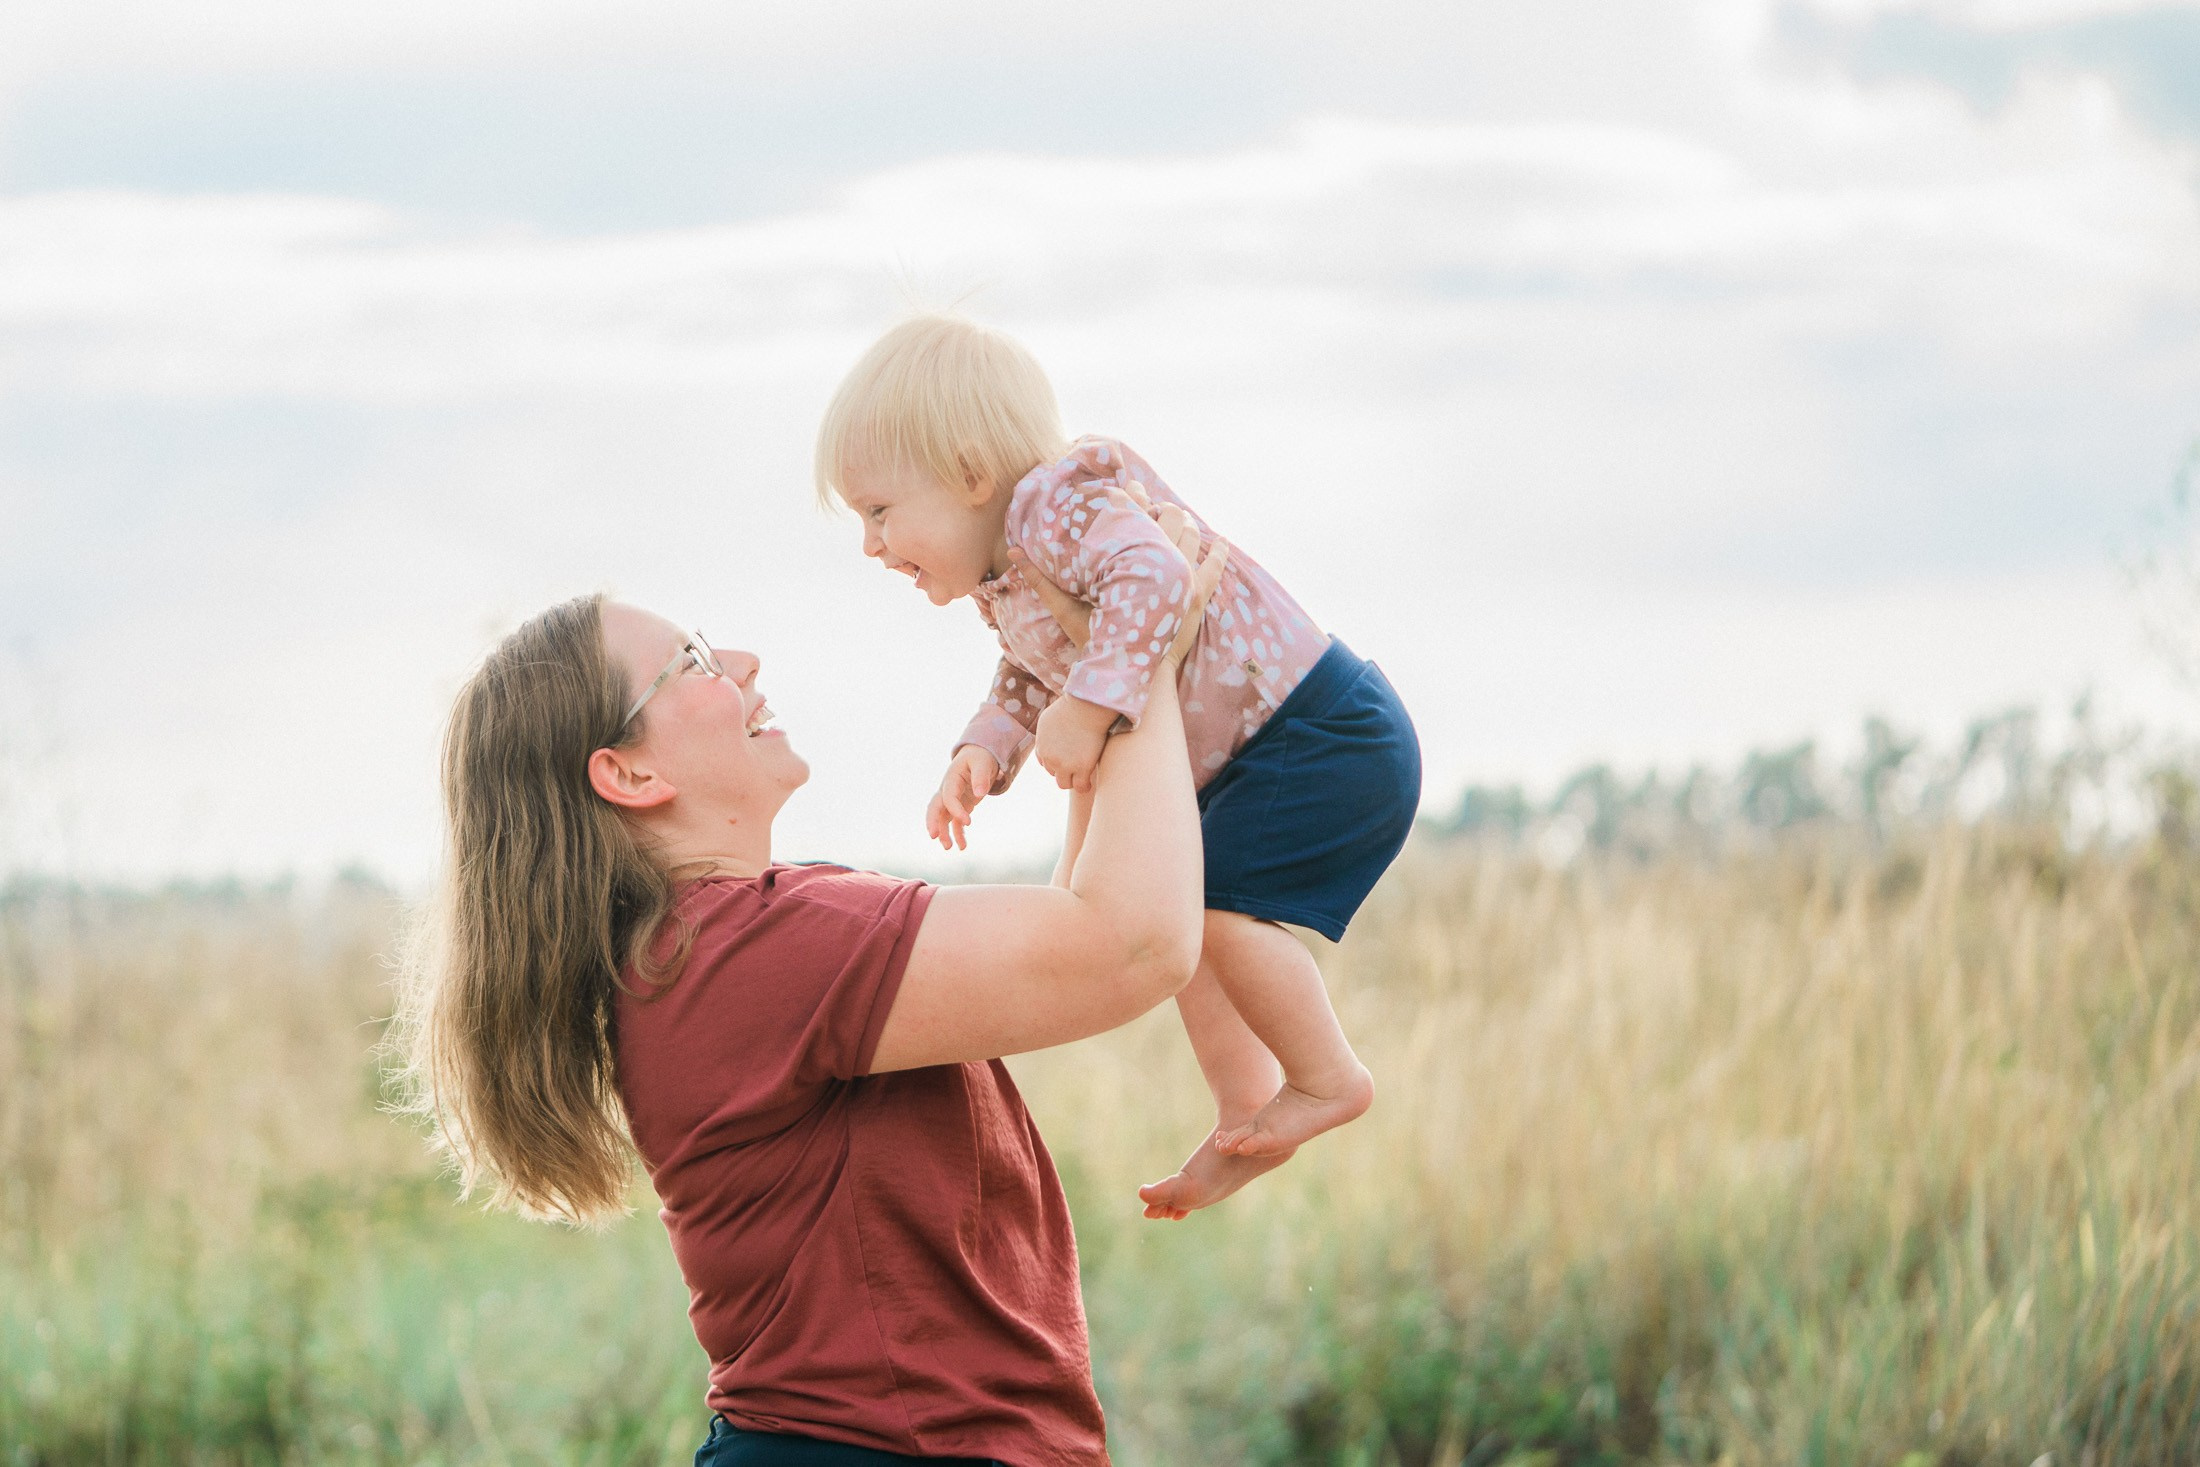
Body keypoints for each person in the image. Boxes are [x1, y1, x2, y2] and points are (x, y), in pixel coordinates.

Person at [394, 526, 1222, 1464]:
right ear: (628, 772)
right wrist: (1139, 650)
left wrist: (1102, 669)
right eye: (692, 661)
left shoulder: (719, 946)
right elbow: (1130, 944)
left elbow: (1069, 937)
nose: (743, 661)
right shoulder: (747, 955)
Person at [813, 313, 1422, 1217]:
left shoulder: (1057, 504)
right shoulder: (1011, 574)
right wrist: (984, 747)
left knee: (1218, 915)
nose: (869, 542)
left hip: (1316, 726)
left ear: (971, 477)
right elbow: (1034, 668)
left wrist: (1093, 707)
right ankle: (1246, 1107)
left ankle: (1327, 1076)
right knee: (1187, 914)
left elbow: (1158, 579)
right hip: (1270, 746)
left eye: (878, 511)